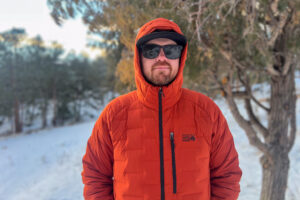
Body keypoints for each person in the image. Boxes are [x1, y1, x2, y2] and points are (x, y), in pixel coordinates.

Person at [82, 18, 242, 200]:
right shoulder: (114, 114)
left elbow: (227, 176)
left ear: (180, 57)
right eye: (151, 51)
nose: (161, 57)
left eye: (171, 51)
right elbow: (94, 177)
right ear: (139, 58)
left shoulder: (206, 111)